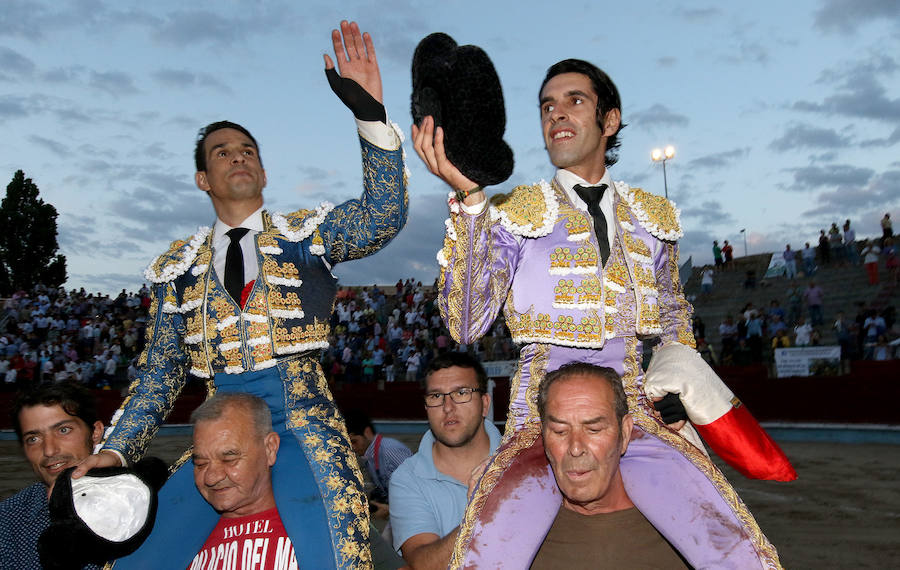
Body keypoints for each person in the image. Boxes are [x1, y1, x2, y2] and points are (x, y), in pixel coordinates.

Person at [415, 58, 785, 568]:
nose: (557, 114)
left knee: (736, 549)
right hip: (539, 421)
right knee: (488, 554)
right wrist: (470, 202)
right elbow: (466, 322)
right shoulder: (513, 211)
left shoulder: (652, 217)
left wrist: (678, 387)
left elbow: (674, 318)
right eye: (547, 105)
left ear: (609, 120)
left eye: (575, 101)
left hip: (638, 414)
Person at [74, 21, 407, 569]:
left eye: (248, 150)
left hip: (305, 429)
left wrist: (368, 112)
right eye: (223, 152)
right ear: (202, 178)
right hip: (217, 438)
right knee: (136, 560)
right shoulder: (176, 270)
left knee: (340, 556)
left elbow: (383, 216)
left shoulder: (306, 237)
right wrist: (115, 449)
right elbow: (159, 375)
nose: (238, 157)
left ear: (265, 171)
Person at [532, 363, 688, 569]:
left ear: (624, 434)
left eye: (594, 429)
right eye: (560, 431)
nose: (576, 448)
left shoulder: (684, 531)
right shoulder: (515, 533)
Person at [389, 353, 502, 570]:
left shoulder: (522, 463)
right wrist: (477, 514)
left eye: (461, 393)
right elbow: (422, 563)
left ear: (484, 404)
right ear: (426, 408)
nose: (447, 407)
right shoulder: (407, 478)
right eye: (436, 396)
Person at [1, 381, 104, 569]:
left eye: (63, 430)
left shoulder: (147, 500)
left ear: (95, 432)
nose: (49, 450)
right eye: (33, 439)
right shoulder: (6, 521)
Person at [344, 409, 412, 520]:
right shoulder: (369, 456)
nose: (353, 448)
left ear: (367, 433)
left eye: (354, 441)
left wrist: (391, 510)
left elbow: (417, 487)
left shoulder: (389, 450)